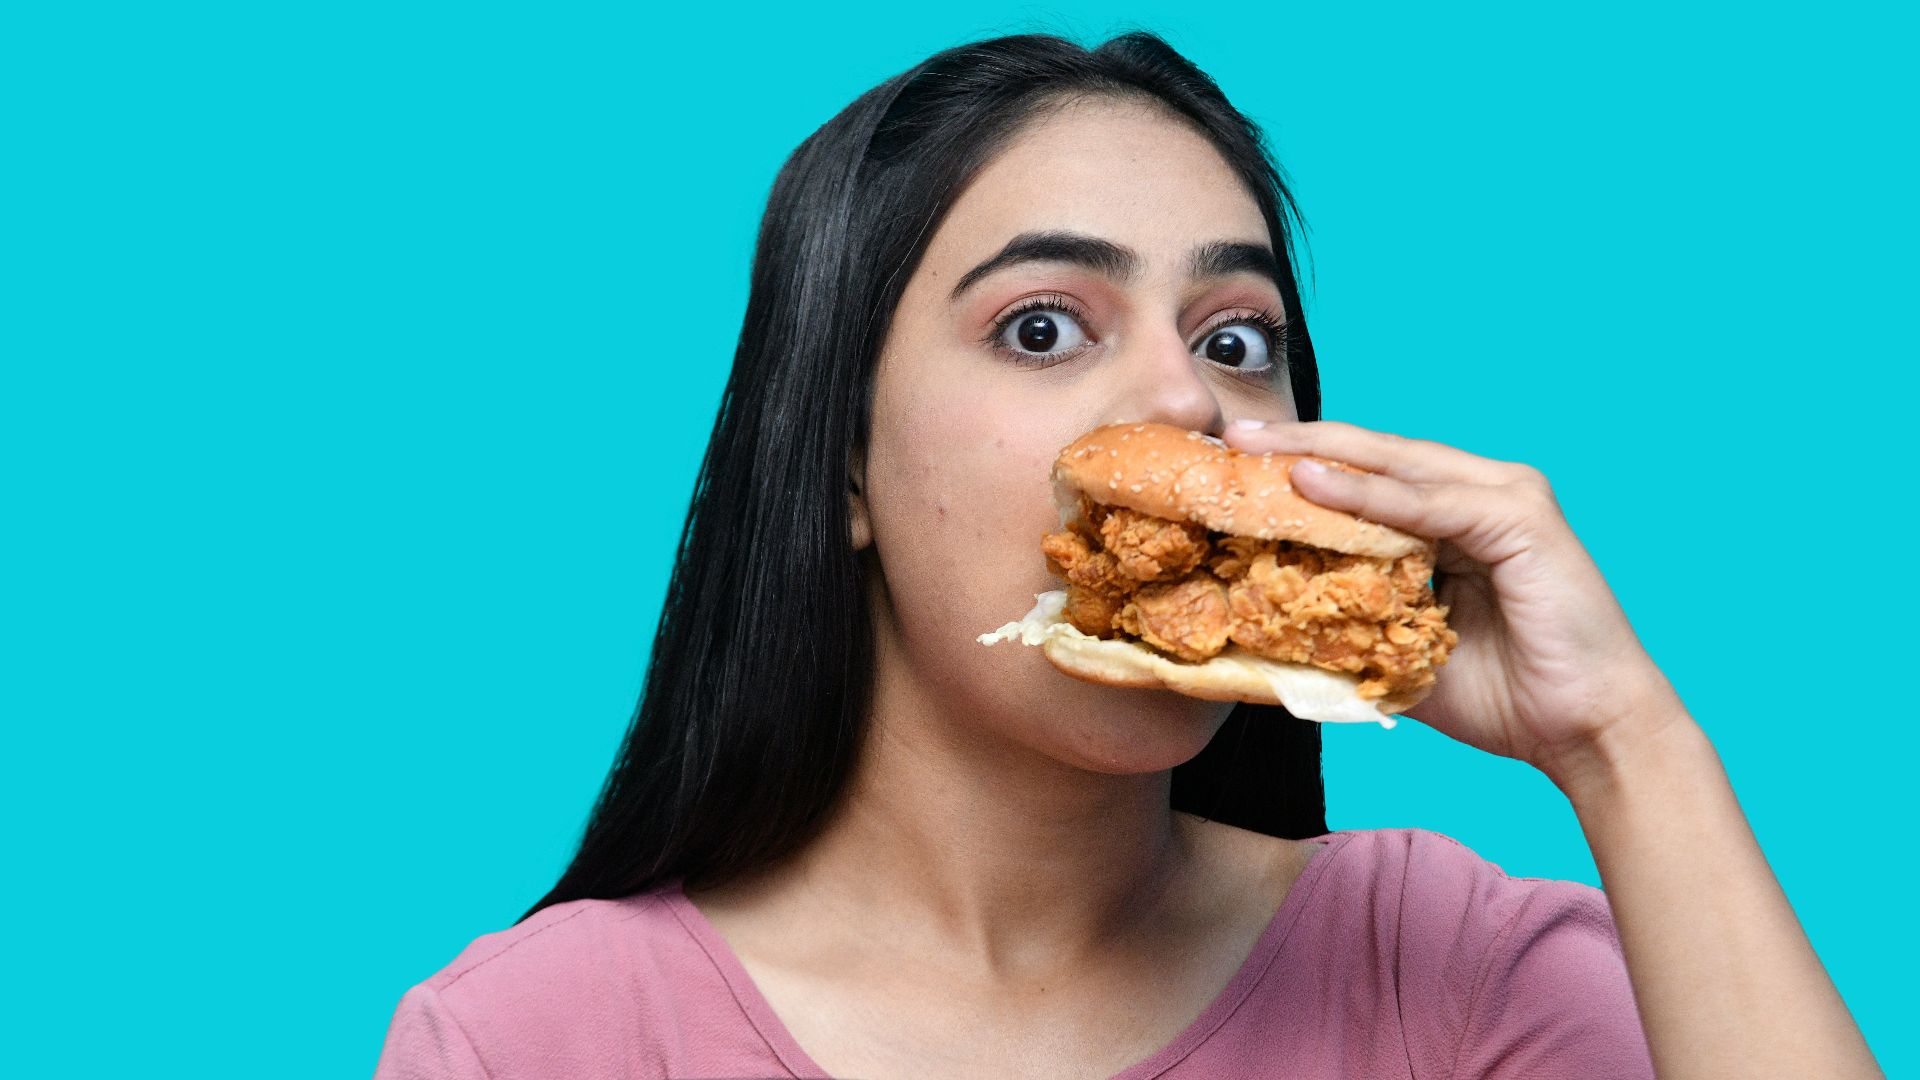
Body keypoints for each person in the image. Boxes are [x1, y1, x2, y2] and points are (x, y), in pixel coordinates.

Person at [372, 30, 1880, 1080]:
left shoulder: (1453, 974)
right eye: (1043, 328)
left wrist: (1629, 747)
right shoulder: (530, 1039)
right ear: (843, 464)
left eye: (1238, 340)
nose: (1187, 401)